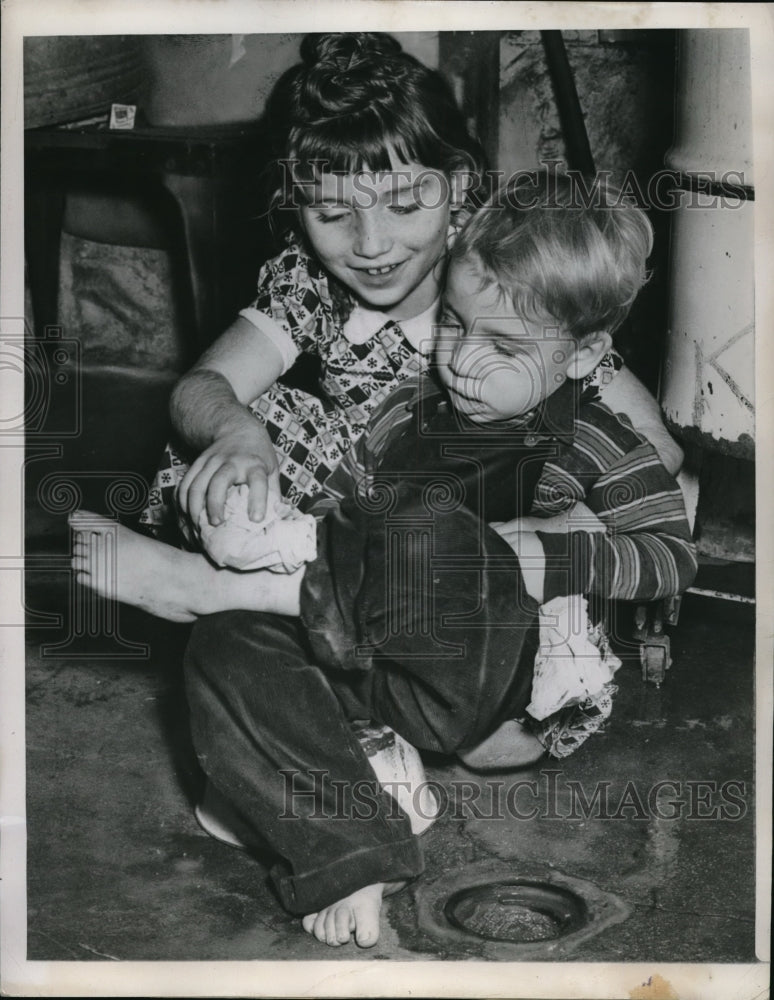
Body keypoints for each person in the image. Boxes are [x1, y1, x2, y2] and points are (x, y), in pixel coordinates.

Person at [71, 172, 697, 949]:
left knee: (439, 539)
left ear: (583, 356)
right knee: (228, 646)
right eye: (458, 325)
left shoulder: (600, 439)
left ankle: (221, 590)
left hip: (506, 696)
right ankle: (351, 849)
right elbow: (345, 527)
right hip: (382, 660)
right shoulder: (407, 411)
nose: (464, 360)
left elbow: (672, 555)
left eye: (501, 345)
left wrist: (548, 556)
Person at [139, 31, 682, 555]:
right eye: (331, 214)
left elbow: (657, 444)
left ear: (459, 186)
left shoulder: (498, 267)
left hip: (497, 498)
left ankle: (232, 590)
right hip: (368, 501)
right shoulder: (310, 286)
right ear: (295, 206)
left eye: (402, 206)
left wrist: (560, 529)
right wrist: (238, 434)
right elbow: (201, 387)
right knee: (245, 423)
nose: (372, 246)